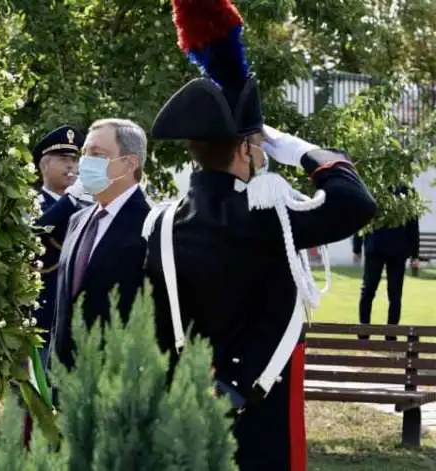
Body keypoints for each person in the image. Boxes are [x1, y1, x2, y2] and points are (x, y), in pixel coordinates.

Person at [142, 1, 376, 470]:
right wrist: (305, 151)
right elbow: (356, 202)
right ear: (250, 148)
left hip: (191, 404)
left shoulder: (164, 223)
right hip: (261, 403)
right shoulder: (268, 216)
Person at [47, 118, 151, 371]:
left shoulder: (152, 225)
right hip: (64, 383)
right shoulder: (77, 220)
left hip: (116, 385)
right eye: (84, 153)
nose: (84, 163)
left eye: (96, 154)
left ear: (129, 163)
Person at [31, 125, 86, 360]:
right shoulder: (30, 202)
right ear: (44, 165)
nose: (71, 166)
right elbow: (38, 229)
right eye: (63, 159)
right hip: (45, 317)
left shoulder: (84, 205)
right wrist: (71, 198)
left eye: (74, 159)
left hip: (79, 319)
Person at [353, 188, 420, 340]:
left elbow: (361, 216)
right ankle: (390, 334)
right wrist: (414, 254)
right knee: (394, 294)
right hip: (396, 248)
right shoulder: (407, 191)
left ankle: (364, 331)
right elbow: (414, 226)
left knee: (369, 290)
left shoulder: (374, 188)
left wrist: (357, 247)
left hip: (376, 246)